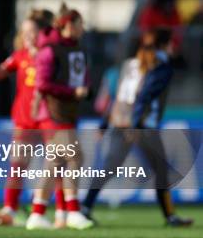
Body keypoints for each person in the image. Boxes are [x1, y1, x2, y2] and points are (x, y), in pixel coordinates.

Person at [82, 29, 193, 227]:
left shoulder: (130, 64)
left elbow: (118, 97)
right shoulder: (161, 67)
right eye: (171, 43)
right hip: (141, 126)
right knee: (161, 170)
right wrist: (135, 126)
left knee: (108, 167)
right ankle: (170, 216)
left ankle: (85, 208)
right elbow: (143, 97)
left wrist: (104, 124)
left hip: (119, 122)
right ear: (165, 45)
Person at [0, 10, 52, 226]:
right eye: (25, 32)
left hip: (47, 118)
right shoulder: (20, 55)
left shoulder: (50, 54)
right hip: (24, 120)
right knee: (17, 165)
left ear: (42, 33)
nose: (28, 36)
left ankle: (57, 211)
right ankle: (10, 208)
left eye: (32, 32)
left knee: (56, 165)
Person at [25, 4, 93, 231]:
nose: (83, 28)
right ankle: (72, 211)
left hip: (68, 112)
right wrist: (72, 92)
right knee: (75, 158)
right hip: (53, 113)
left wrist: (84, 89)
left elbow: (82, 76)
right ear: (69, 26)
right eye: (80, 24)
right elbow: (42, 84)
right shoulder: (50, 50)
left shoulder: (79, 49)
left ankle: (37, 213)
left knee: (54, 163)